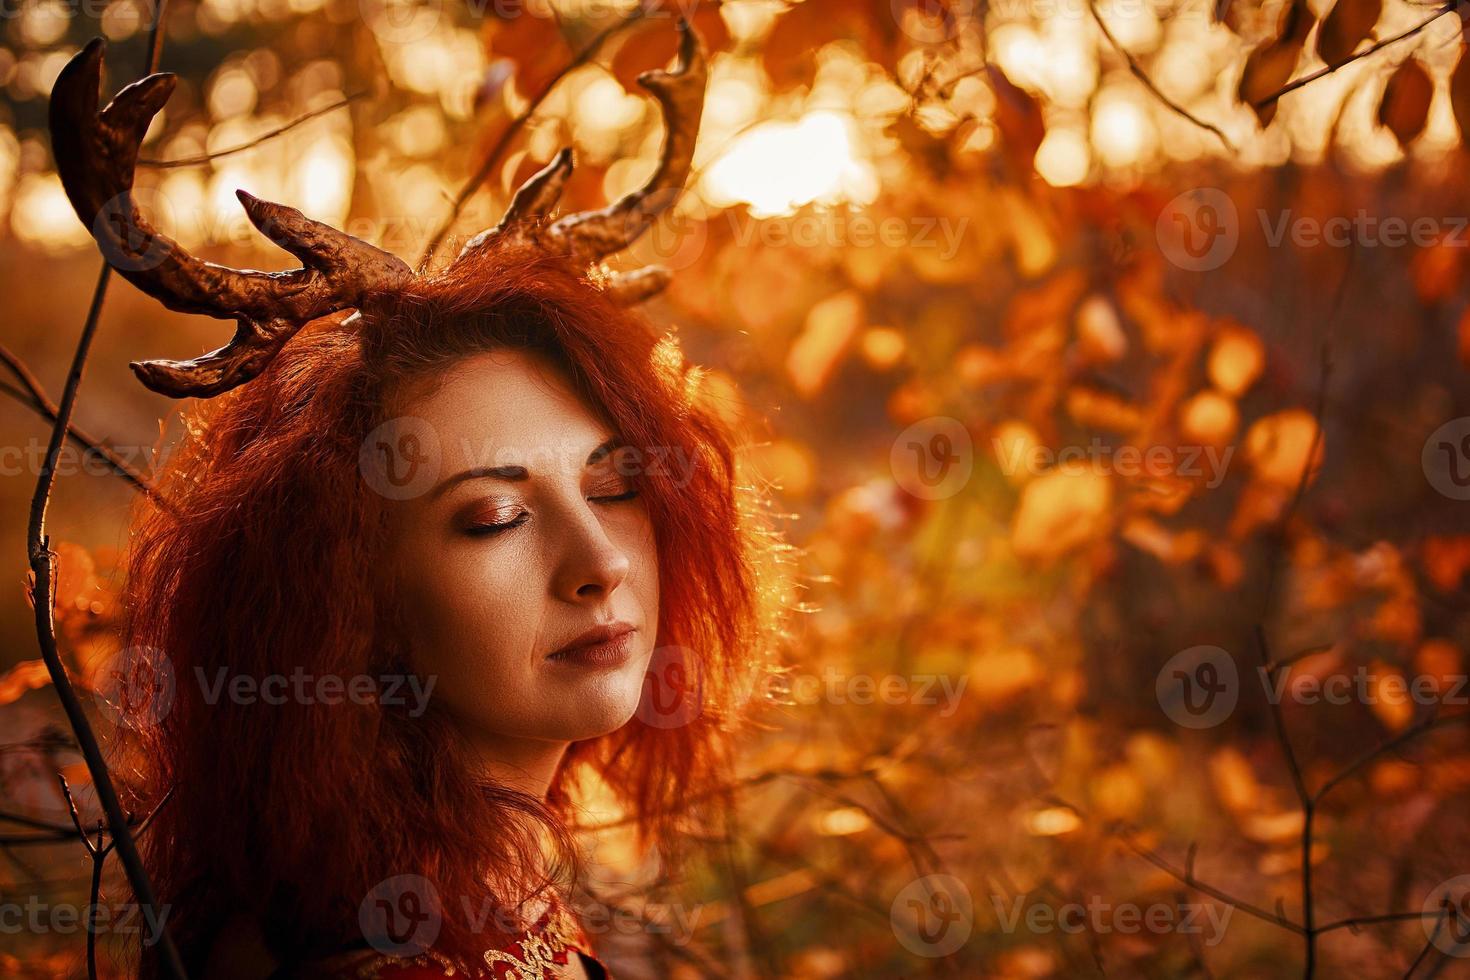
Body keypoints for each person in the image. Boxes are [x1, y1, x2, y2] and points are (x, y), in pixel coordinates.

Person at [49, 21, 782, 978]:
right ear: (355, 604)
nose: (600, 563)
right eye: (494, 518)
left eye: (614, 484)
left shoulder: (487, 886)